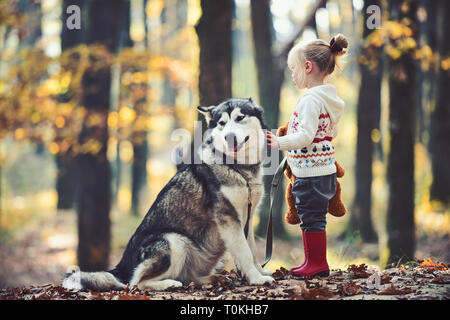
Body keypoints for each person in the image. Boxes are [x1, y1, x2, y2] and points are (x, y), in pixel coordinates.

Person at [266, 34, 348, 277]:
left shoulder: (311, 100)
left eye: (294, 69)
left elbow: (305, 136)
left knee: (312, 218)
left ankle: (318, 264)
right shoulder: (327, 99)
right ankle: (311, 261)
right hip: (320, 169)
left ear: (308, 67)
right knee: (309, 216)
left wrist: (278, 142)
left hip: (312, 173)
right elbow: (324, 133)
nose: (292, 74)